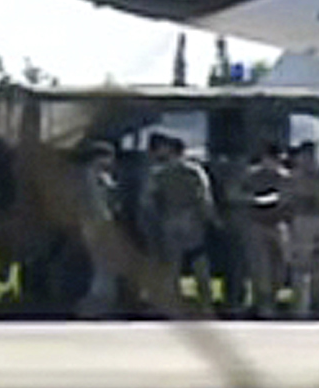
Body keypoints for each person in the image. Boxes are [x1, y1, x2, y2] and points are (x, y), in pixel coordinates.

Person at [137, 132, 219, 312]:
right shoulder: (195, 171)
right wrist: (212, 220)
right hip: (193, 224)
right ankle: (206, 305)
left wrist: (153, 224)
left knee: (172, 268)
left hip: (170, 222)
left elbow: (147, 202)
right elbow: (205, 198)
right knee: (200, 266)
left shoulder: (158, 173)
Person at [282, 141, 319, 320]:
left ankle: (302, 310)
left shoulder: (296, 177)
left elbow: (288, 198)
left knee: (304, 268)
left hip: (306, 220)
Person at [236, 144, 292, 319]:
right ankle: (263, 306)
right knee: (260, 267)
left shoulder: (286, 178)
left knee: (280, 267)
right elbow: (235, 194)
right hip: (256, 225)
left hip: (279, 225)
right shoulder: (251, 176)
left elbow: (291, 198)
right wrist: (253, 199)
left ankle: (273, 298)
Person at [71, 140, 122, 319]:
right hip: (99, 224)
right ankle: (97, 304)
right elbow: (101, 202)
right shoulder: (94, 176)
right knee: (104, 266)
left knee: (102, 266)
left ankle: (97, 304)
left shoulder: (84, 175)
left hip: (91, 224)